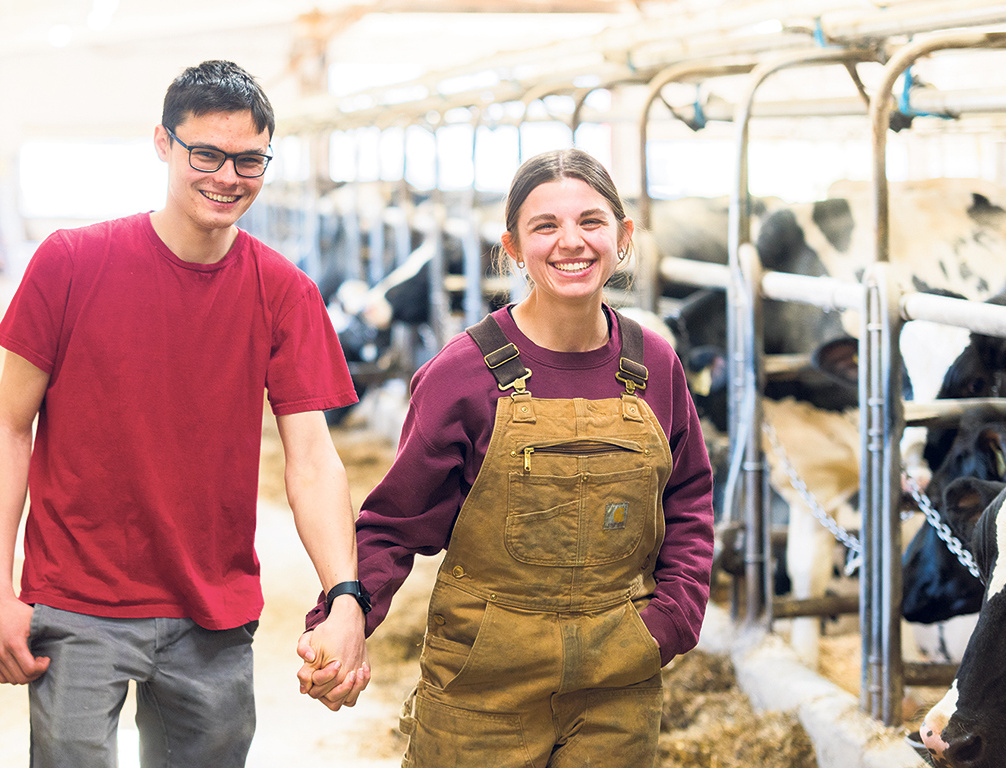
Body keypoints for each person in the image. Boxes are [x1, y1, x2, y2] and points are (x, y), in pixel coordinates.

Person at [0, 60, 370, 768]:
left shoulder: (284, 293)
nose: (227, 177)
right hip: (77, 600)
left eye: (249, 160)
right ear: (163, 143)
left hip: (212, 609)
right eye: (207, 154)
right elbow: (6, 425)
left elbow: (312, 458)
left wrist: (344, 594)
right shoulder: (70, 263)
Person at [299, 148, 714, 766]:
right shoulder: (461, 375)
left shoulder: (653, 364)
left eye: (591, 222)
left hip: (618, 688)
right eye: (545, 226)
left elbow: (689, 500)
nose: (570, 242)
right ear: (513, 248)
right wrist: (345, 612)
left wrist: (671, 621)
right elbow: (395, 523)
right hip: (482, 692)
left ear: (624, 237)